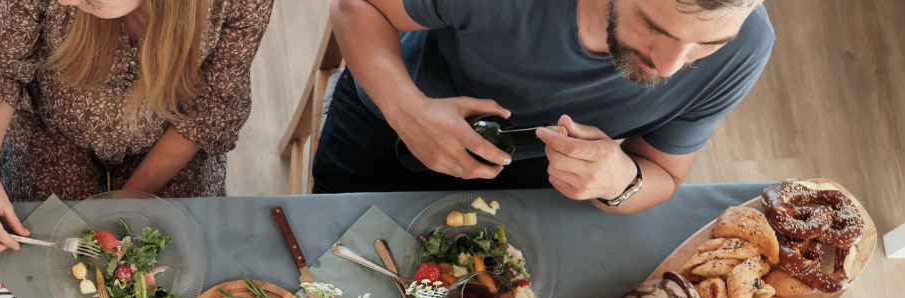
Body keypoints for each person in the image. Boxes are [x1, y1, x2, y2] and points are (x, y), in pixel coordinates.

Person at [315, 0, 774, 212]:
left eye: (709, 45)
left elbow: (664, 173)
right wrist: (408, 112)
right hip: (393, 121)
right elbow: (356, 5)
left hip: (537, 180)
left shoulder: (748, 47)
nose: (668, 67)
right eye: (655, 27)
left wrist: (620, 181)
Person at [0, 0, 274, 253]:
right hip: (51, 130)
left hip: (171, 138)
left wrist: (126, 202)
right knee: (42, 263)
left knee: (174, 254)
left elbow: (210, 106)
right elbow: (0, 68)